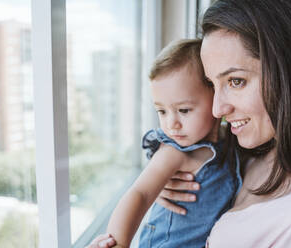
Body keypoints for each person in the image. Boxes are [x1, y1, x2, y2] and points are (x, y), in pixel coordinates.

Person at [159, 0, 291, 247]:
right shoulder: (254, 151)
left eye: (236, 81)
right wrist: (175, 184)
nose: (217, 110)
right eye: (212, 84)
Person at [86, 39, 241, 248]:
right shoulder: (174, 151)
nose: (172, 124)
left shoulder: (230, 138)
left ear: (215, 95)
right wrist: (118, 243)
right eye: (162, 111)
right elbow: (139, 194)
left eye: (183, 110)